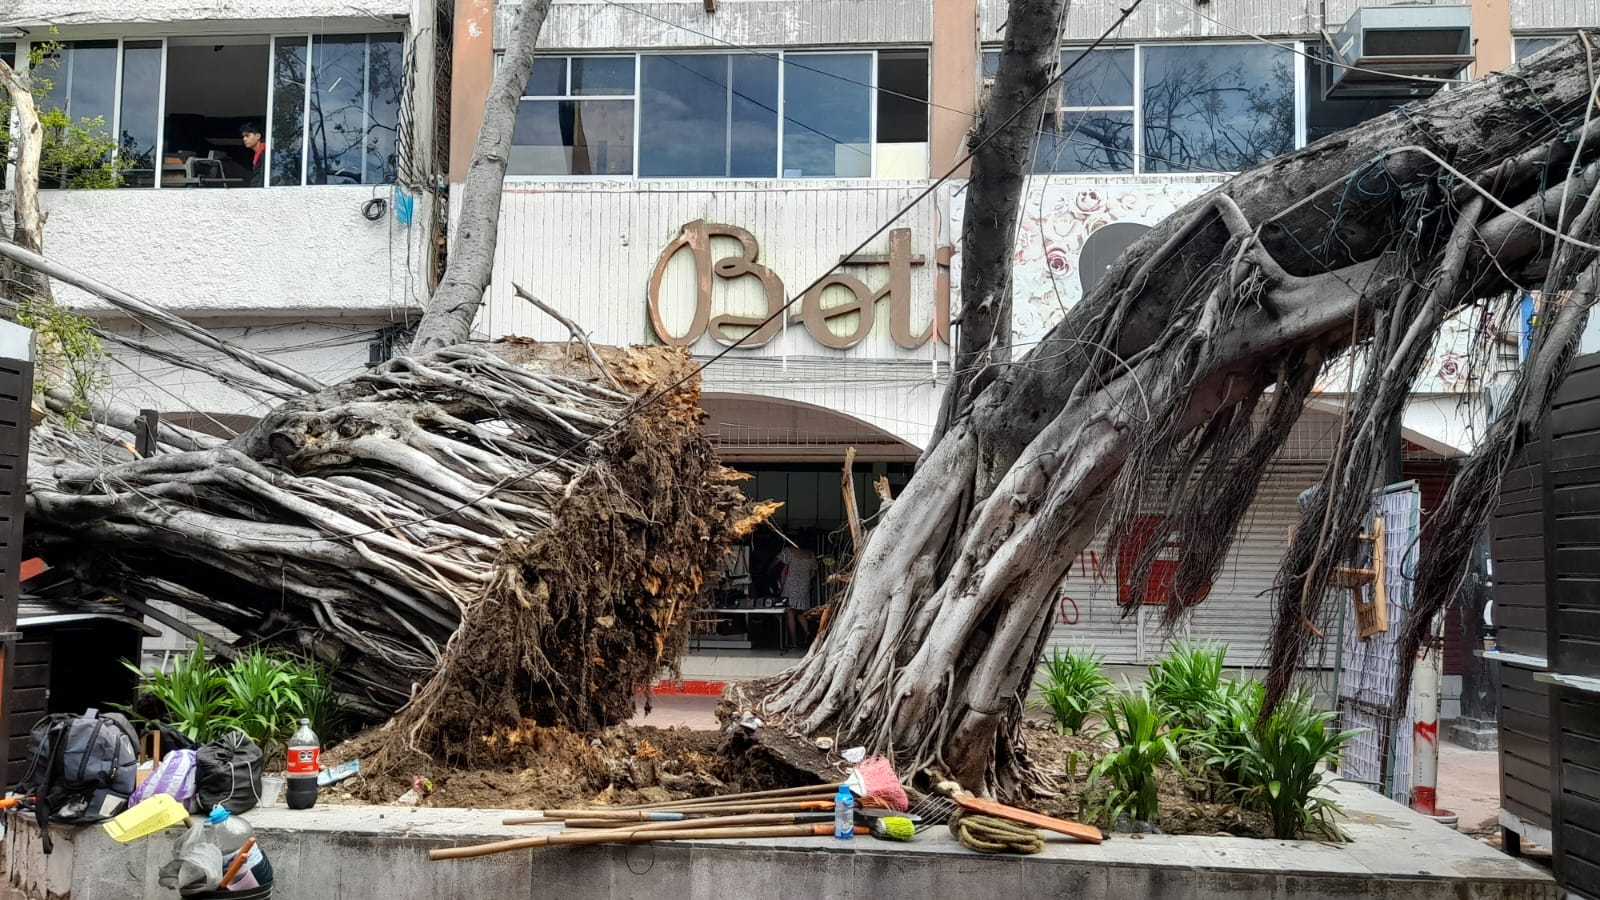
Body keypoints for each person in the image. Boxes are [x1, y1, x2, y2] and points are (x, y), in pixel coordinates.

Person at [771, 543, 818, 649]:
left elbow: (776, 561)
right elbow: (813, 573)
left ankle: (794, 642)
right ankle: (807, 633)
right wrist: (805, 581)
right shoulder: (811, 554)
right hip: (804, 587)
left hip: (791, 587)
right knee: (799, 613)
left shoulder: (789, 551)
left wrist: (768, 569)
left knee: (790, 614)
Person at [240, 122, 265, 187]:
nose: (244, 139)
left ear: (258, 136)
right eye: (243, 136)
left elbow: (262, 178)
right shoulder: (259, 153)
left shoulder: (265, 154)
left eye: (247, 136)